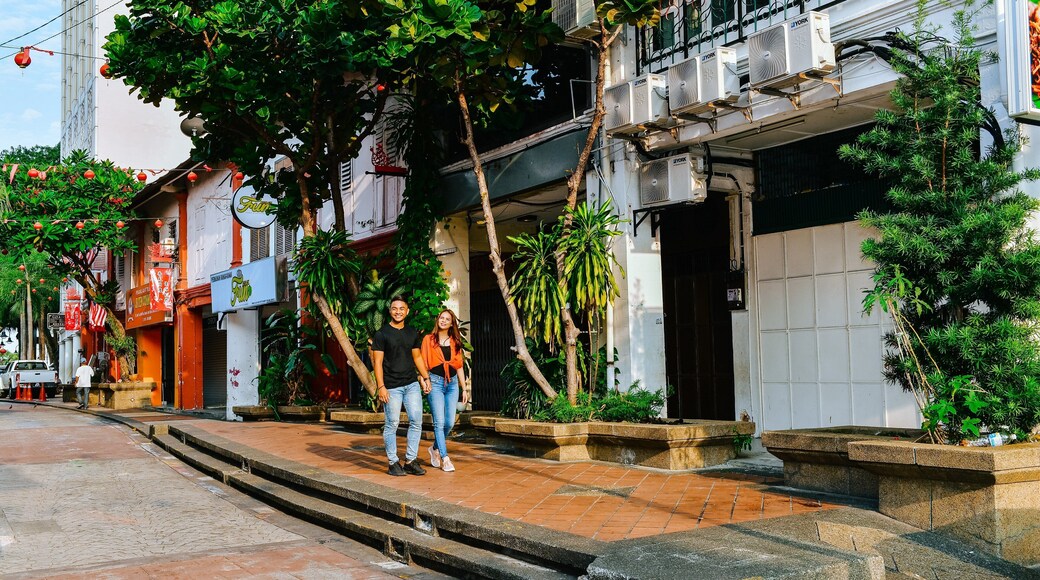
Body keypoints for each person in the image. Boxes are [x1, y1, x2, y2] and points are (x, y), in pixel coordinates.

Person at [372, 296, 432, 476]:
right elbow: (377, 362)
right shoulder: (381, 334)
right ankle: (393, 462)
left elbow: (417, 357)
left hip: (411, 383)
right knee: (392, 423)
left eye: (401, 308)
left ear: (407, 311)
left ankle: (410, 461)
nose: (398, 311)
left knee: (416, 421)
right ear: (390, 311)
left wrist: (425, 377)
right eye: (394, 308)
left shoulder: (412, 332)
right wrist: (381, 386)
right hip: (391, 386)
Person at [421, 309, 468, 473]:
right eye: (442, 318)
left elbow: (459, 366)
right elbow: (423, 363)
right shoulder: (428, 339)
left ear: (451, 323)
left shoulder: (455, 341)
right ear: (438, 320)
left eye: (447, 319)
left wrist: (464, 388)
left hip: (453, 384)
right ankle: (445, 458)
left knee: (449, 422)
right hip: (435, 383)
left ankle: (434, 448)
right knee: (439, 422)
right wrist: (424, 380)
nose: (444, 321)